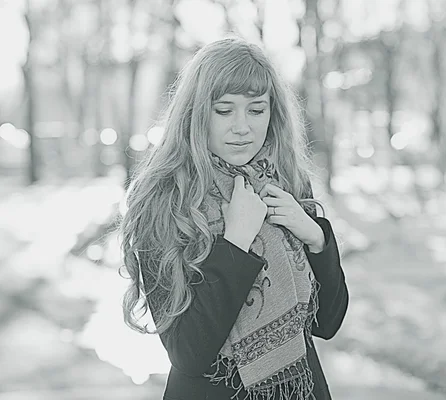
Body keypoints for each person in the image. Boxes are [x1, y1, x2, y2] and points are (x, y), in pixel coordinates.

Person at [119, 36, 349, 400]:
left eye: (256, 110)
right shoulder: (162, 201)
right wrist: (235, 242)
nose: (242, 127)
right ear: (196, 113)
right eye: (224, 110)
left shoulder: (285, 180)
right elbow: (189, 352)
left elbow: (327, 323)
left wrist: (315, 236)